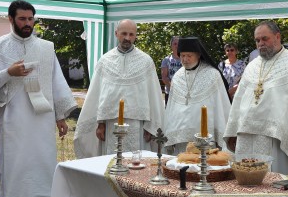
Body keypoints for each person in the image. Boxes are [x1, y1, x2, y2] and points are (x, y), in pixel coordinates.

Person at [0, 0, 77, 197]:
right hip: (14, 121)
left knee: (43, 169)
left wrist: (60, 117)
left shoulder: (46, 47)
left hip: (41, 122)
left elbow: (57, 82)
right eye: (22, 19)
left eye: (31, 19)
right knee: (15, 170)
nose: (27, 23)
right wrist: (6, 73)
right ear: (10, 19)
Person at [223, 21, 288, 179]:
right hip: (247, 139)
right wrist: (232, 131)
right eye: (257, 40)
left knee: (275, 185)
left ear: (278, 37)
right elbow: (239, 102)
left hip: (277, 142)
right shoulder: (251, 67)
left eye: (265, 39)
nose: (261, 44)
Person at [74, 19, 164, 158]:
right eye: (124, 33)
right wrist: (101, 124)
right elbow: (97, 94)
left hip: (137, 125)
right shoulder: (105, 61)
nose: (127, 38)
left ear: (135, 35)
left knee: (136, 165)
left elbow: (154, 96)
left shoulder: (146, 61)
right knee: (111, 162)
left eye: (131, 34)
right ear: (116, 33)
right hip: (111, 125)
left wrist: (151, 126)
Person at [164, 37, 231, 155]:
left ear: (198, 55)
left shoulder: (212, 75)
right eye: (182, 55)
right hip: (181, 140)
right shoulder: (177, 77)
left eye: (189, 56)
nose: (185, 59)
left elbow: (221, 106)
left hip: (206, 139)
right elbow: (171, 108)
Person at [161, 36, 182, 105]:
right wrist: (174, 88)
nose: (177, 46)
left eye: (179, 44)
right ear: (171, 46)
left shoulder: (186, 59)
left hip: (183, 93)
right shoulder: (166, 60)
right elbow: (164, 77)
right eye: (175, 44)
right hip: (170, 93)